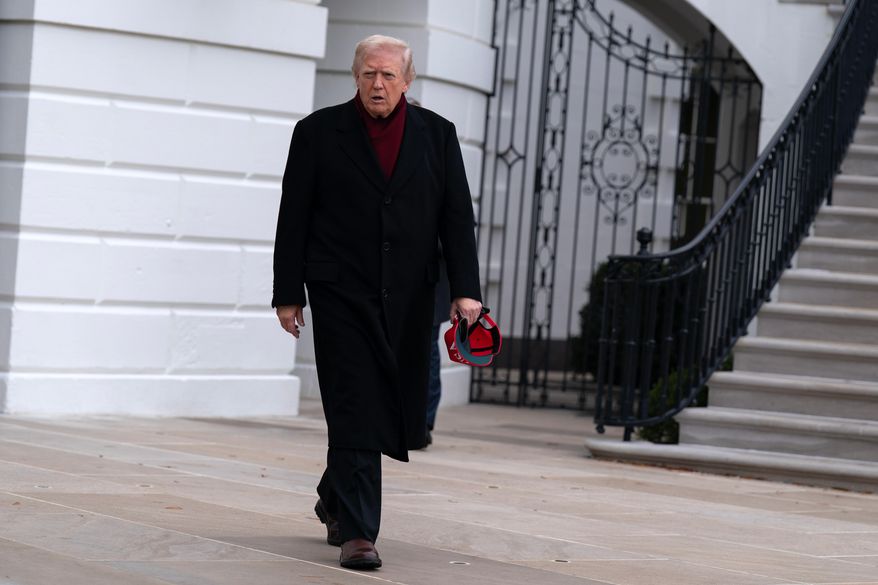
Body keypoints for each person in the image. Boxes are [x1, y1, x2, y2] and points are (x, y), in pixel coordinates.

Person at [272, 34, 482, 570]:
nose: (378, 84)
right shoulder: (317, 133)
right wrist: (287, 294)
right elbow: (293, 215)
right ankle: (360, 534)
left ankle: (334, 496)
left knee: (394, 406)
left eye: (389, 75)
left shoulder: (438, 135)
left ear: (407, 81)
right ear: (355, 76)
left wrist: (466, 289)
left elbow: (456, 215)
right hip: (340, 289)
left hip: (412, 294)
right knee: (354, 400)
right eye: (369, 74)